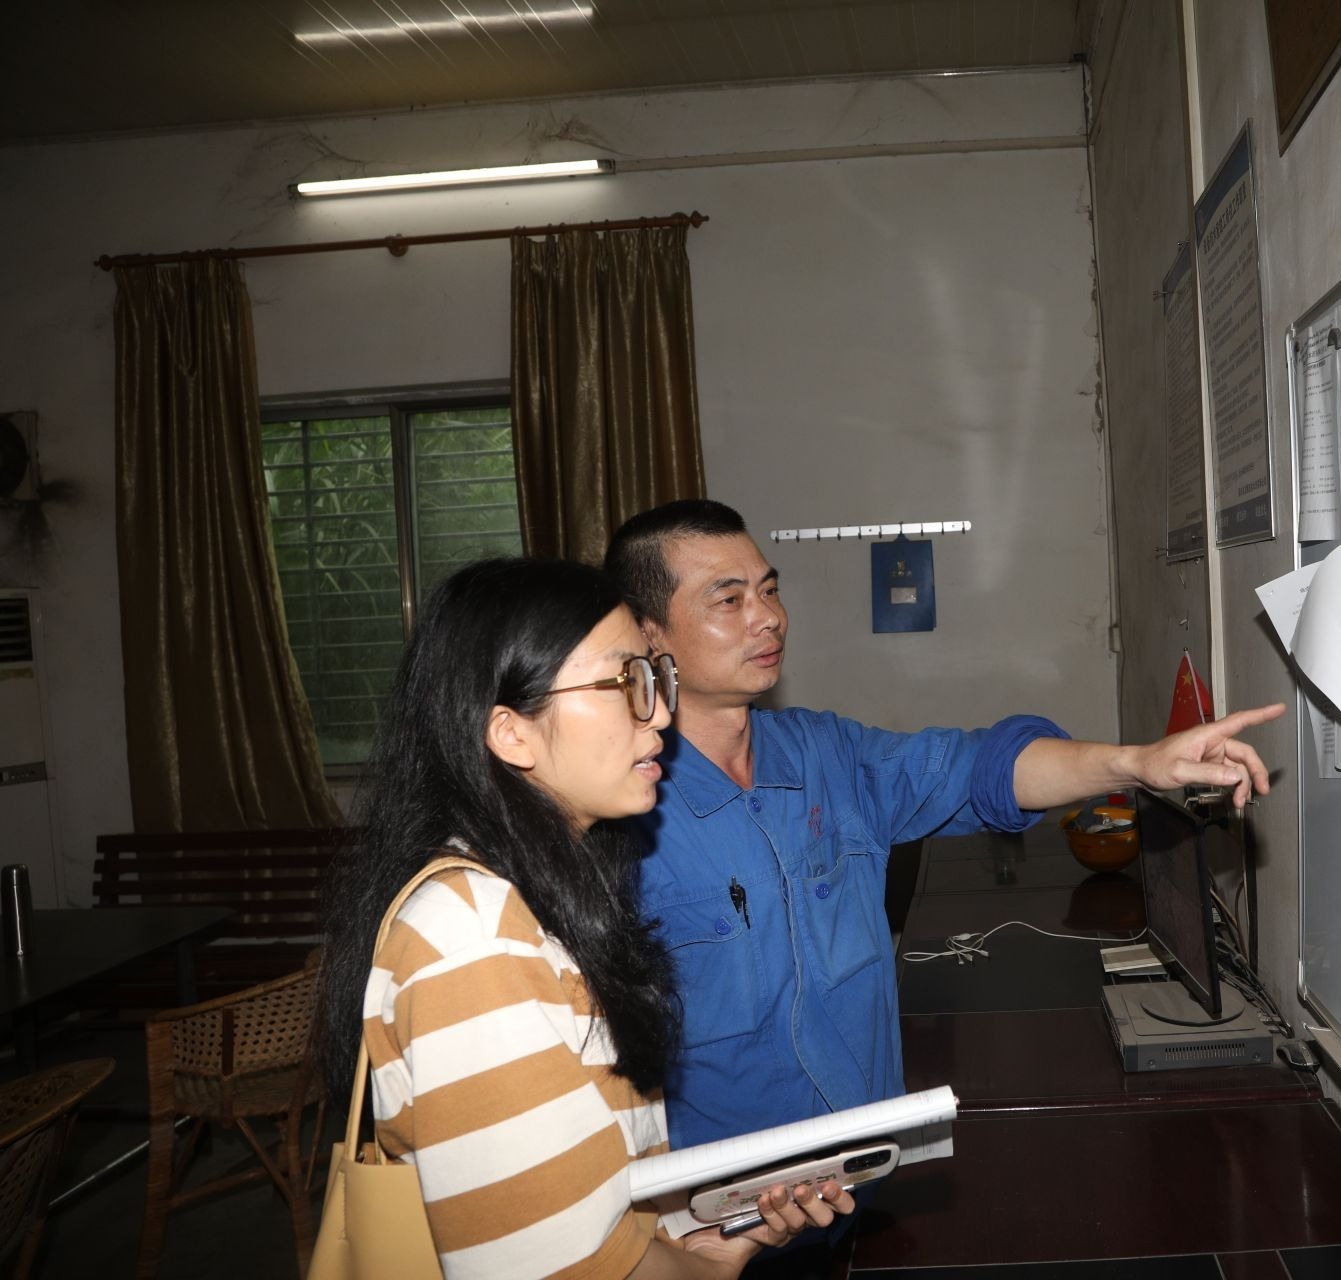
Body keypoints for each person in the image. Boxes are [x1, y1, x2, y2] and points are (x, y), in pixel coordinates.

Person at [604, 500, 1285, 1155]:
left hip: (867, 1169)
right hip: (731, 1204)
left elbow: (982, 767)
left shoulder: (825, 757)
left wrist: (1136, 764)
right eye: (729, 600)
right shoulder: (618, 818)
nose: (770, 619)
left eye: (770, 590)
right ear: (648, 633)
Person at [314, 557, 854, 1280]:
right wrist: (707, 1272)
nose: (660, 713)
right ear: (511, 733)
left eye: (654, 677)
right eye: (624, 682)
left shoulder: (544, 892)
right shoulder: (471, 938)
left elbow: (589, 1195)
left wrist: (692, 1232)